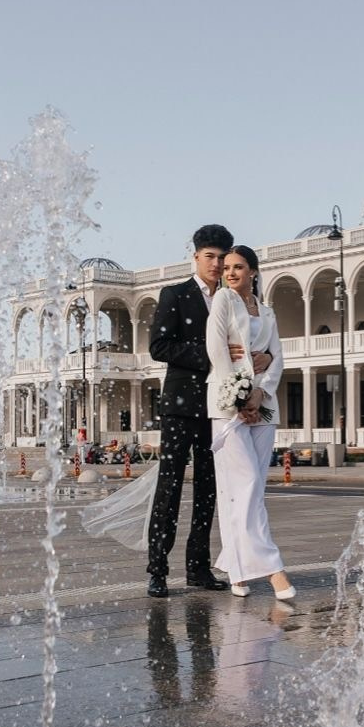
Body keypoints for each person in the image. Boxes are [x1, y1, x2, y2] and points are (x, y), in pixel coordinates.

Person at [145, 224, 274, 599]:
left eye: (222, 257)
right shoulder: (175, 294)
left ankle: (198, 568)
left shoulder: (236, 298)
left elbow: (257, 339)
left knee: (209, 489)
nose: (218, 265)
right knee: (169, 488)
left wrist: (263, 357)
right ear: (196, 257)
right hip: (181, 406)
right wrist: (212, 357)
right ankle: (157, 570)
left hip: (220, 406)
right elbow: (159, 346)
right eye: (210, 257)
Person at [206, 245, 296, 605]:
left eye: (238, 267)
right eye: (226, 267)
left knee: (247, 492)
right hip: (229, 408)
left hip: (264, 407)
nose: (229, 273)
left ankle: (238, 569)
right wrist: (239, 396)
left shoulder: (268, 311)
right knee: (246, 484)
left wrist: (260, 392)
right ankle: (275, 571)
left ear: (254, 271)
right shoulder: (223, 302)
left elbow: (278, 356)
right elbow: (217, 352)